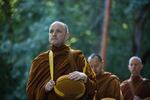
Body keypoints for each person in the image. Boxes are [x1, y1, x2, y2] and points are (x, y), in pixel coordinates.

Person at [26, 21, 96, 100]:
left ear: (67, 36)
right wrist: (44, 89)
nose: (54, 34)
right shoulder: (39, 60)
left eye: (58, 31)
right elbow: (30, 92)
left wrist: (84, 77)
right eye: (51, 31)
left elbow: (94, 87)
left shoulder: (77, 57)